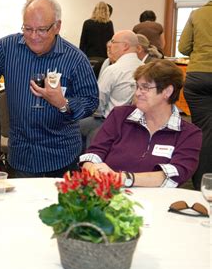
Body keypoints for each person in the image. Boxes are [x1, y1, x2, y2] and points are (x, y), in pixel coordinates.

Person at [0, 0, 99, 178]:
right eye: (28, 29)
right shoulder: (7, 48)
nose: (33, 36)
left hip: (62, 155)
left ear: (57, 26)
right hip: (22, 155)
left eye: (41, 30)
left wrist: (63, 103)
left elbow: (91, 101)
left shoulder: (75, 58)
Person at [80, 60, 202, 188]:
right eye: (137, 87)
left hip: (156, 202)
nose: (137, 93)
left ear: (167, 91)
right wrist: (91, 168)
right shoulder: (120, 116)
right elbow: (94, 153)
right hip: (109, 195)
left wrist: (122, 178)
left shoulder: (189, 134)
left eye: (145, 88)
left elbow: (177, 174)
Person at [80, 30, 143, 148]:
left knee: (71, 126)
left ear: (125, 46)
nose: (109, 46)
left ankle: (82, 163)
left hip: (110, 122)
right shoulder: (145, 68)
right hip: (137, 123)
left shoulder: (114, 70)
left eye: (113, 42)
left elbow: (97, 104)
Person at [178, 0, 212, 190]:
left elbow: (183, 48)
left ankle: (201, 184)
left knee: (203, 131)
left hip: (198, 77)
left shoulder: (197, 14)